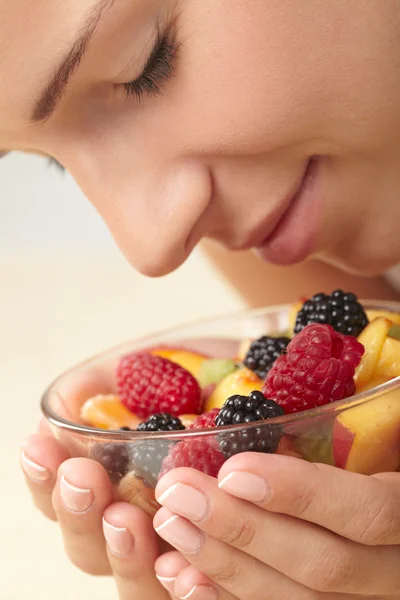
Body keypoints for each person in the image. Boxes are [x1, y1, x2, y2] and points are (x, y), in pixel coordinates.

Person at [3, 0, 400, 598]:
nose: (151, 247)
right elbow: (365, 375)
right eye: (56, 165)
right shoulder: (278, 207)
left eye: (145, 67)